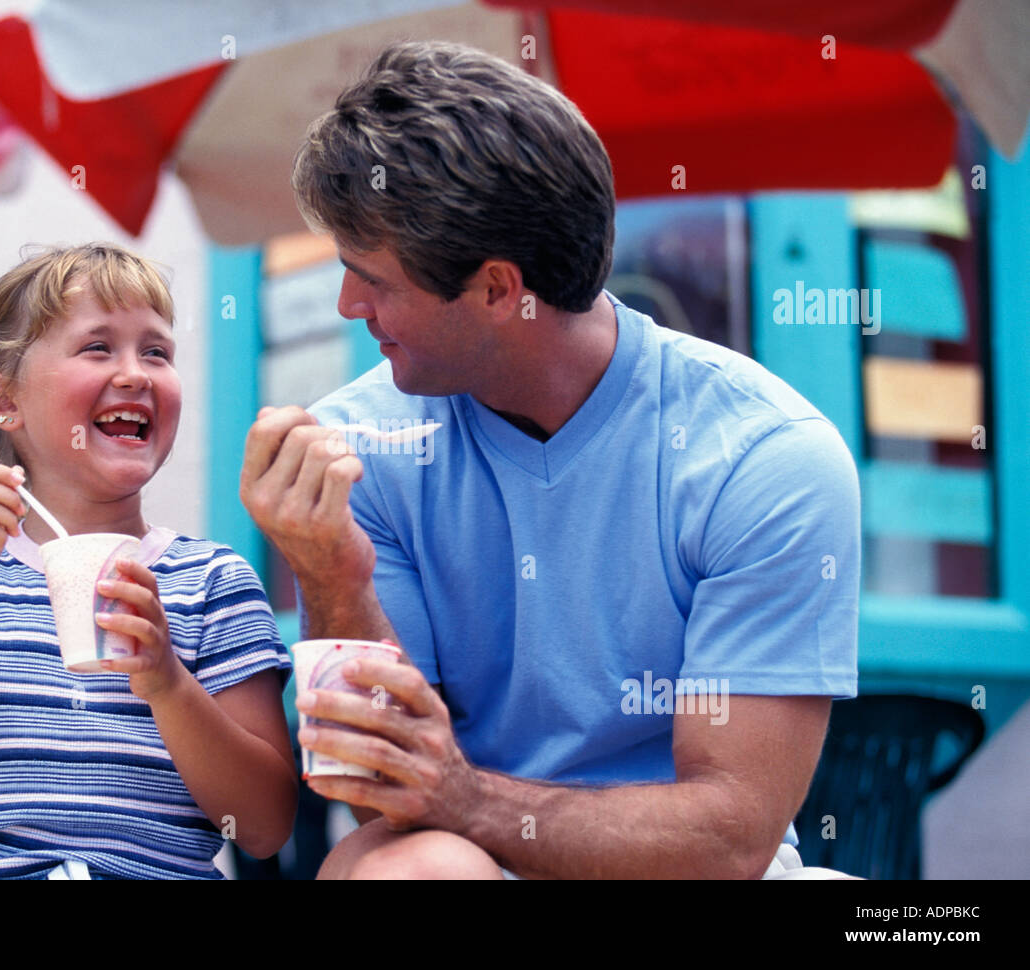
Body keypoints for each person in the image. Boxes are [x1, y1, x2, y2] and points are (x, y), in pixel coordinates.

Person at [240, 42, 859, 879]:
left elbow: (731, 833)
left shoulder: (764, 456)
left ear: (498, 290)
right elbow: (382, 792)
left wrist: (467, 796)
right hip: (462, 861)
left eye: (374, 281)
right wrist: (331, 572)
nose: (350, 307)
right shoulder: (360, 446)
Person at [0, 243, 297, 879]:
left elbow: (265, 827)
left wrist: (167, 682)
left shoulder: (214, 583)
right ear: (5, 402)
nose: (135, 372)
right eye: (98, 347)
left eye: (157, 351)